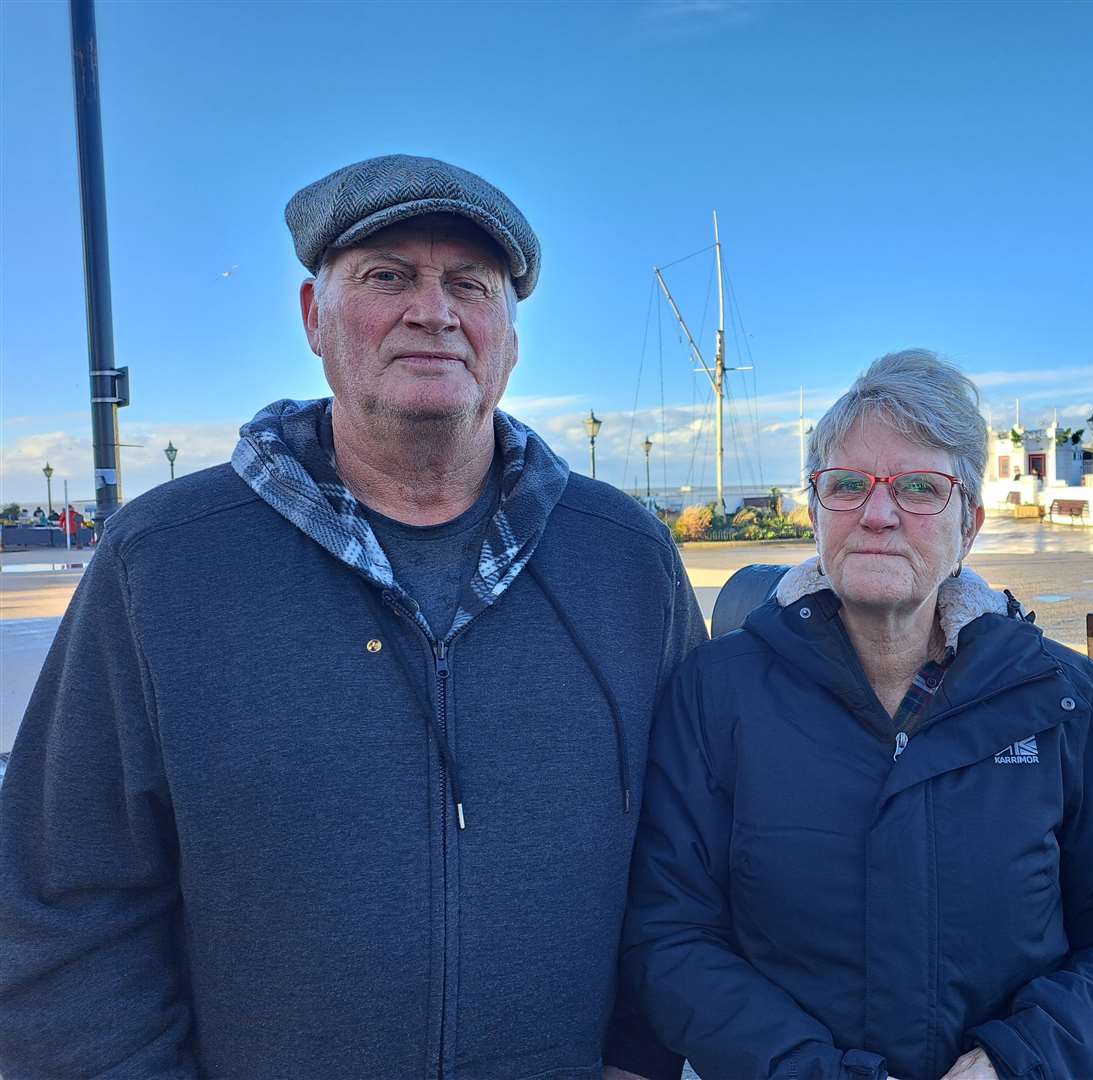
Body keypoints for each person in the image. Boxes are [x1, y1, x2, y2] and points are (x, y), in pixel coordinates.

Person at [0, 155, 704, 1080]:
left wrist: (640, 1061)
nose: (434, 311)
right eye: (387, 276)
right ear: (312, 319)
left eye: (469, 284)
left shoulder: (624, 557)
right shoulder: (163, 560)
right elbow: (66, 903)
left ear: (509, 336)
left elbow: (687, 856)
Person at [621, 350, 1093, 1080]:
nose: (879, 513)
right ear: (816, 508)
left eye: (920, 487)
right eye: (848, 485)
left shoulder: (1061, 697)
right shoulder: (716, 695)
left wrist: (1019, 1062)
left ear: (969, 523)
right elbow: (671, 935)